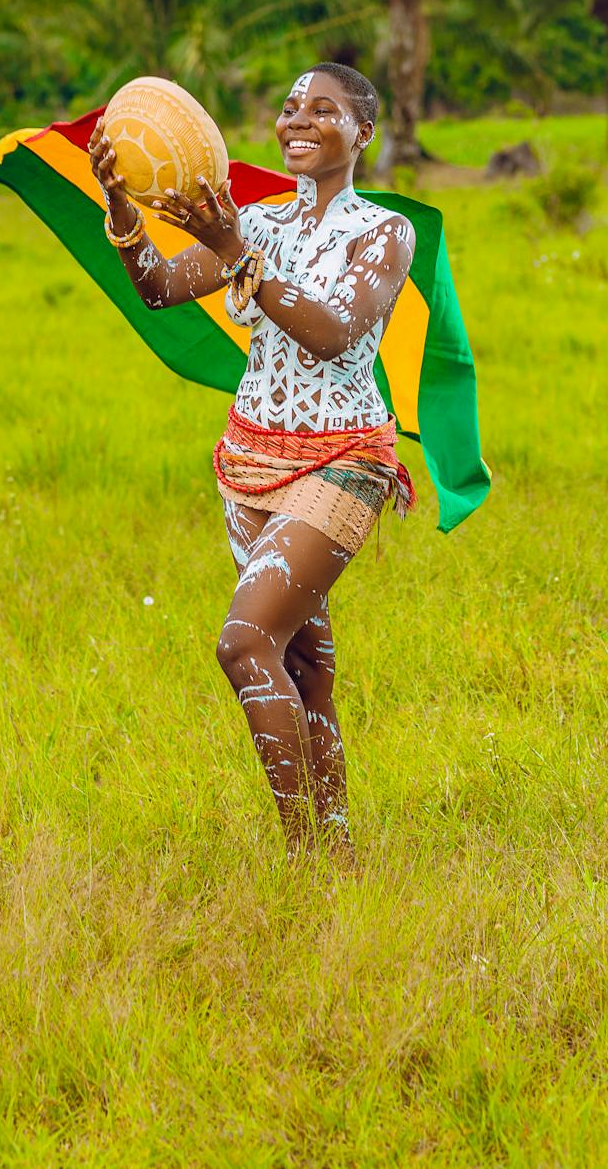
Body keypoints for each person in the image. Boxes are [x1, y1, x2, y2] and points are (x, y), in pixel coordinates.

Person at [88, 63, 416, 869]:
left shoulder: (383, 233)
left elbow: (337, 332)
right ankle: (337, 861)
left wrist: (235, 247)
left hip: (342, 462)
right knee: (305, 668)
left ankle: (301, 857)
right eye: (291, 107)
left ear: (363, 135)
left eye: (325, 110)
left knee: (242, 643)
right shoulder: (259, 221)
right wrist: (125, 210)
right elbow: (162, 287)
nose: (299, 120)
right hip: (247, 463)